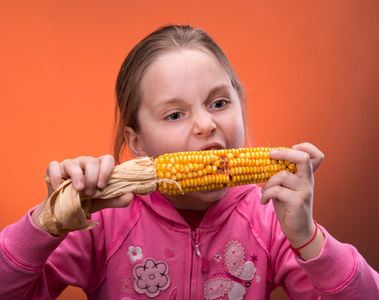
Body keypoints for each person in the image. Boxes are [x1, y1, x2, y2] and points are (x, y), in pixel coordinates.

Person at [0, 25, 378, 300]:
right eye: (175, 114)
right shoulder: (102, 220)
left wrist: (308, 239)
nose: (205, 124)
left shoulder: (269, 217)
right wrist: (46, 222)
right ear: (138, 142)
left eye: (219, 103)